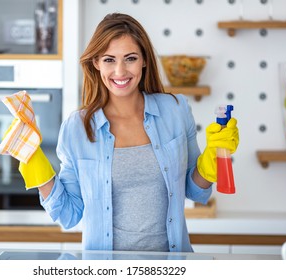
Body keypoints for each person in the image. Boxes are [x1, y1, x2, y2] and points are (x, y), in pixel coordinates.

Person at [14, 13, 239, 252]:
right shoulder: (77, 127)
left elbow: (195, 192)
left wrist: (213, 156)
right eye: (109, 60)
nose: (120, 71)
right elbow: (69, 215)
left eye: (130, 58)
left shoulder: (175, 110)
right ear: (96, 63)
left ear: (143, 60)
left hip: (171, 266)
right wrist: (33, 161)